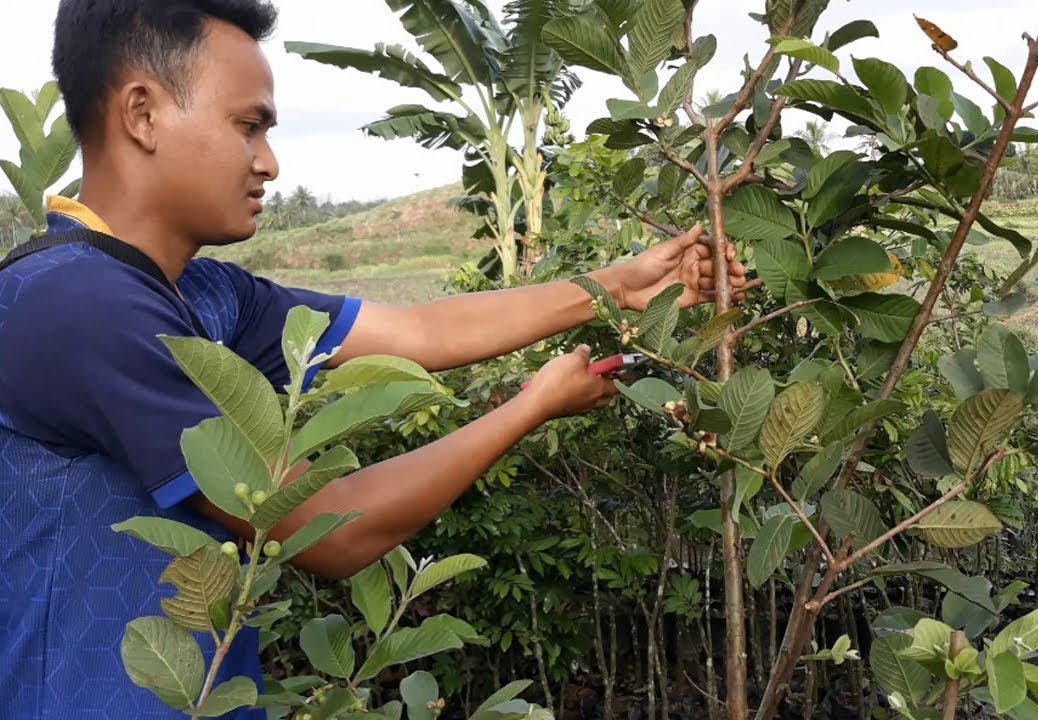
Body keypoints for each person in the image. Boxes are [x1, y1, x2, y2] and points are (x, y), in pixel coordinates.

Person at [0, 1, 747, 718]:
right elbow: (329, 528)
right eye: (248, 126)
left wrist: (623, 285)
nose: (268, 162)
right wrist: (530, 406)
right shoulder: (74, 305)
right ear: (142, 113)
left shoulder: (199, 292)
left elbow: (422, 331)